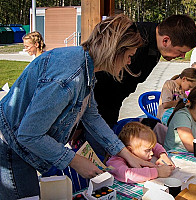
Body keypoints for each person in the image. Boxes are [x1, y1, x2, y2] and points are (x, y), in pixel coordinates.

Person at [0, 14, 155, 199]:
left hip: (19, 145)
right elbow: (29, 134)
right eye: (129, 56)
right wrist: (74, 161)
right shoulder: (70, 76)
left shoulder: (85, 67)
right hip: (10, 147)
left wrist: (125, 154)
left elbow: (92, 116)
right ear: (115, 50)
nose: (129, 62)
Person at [93, 14, 196, 129]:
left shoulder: (157, 44)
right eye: (180, 51)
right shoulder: (136, 40)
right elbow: (103, 81)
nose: (182, 57)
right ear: (166, 41)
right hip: (98, 103)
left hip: (114, 101)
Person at [106, 122, 174, 183]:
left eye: (151, 149)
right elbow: (128, 175)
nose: (152, 153)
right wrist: (158, 172)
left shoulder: (139, 147)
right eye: (147, 150)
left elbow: (155, 146)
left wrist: (162, 155)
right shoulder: (115, 161)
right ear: (130, 150)